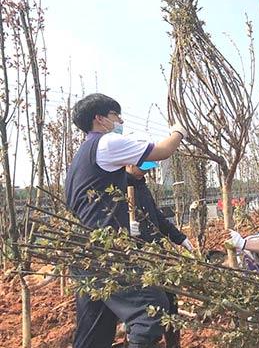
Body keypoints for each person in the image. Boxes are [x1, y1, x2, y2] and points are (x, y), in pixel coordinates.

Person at [65, 93, 187, 348]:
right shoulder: (106, 143)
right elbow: (163, 150)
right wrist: (178, 131)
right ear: (100, 119)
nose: (120, 120)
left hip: (86, 253)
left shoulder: (81, 157)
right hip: (107, 251)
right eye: (115, 115)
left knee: (94, 332)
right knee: (151, 309)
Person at [126, 161, 194, 348]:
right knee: (149, 308)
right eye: (143, 166)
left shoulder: (142, 186)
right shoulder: (121, 185)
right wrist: (126, 228)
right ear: (130, 163)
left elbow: (157, 217)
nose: (147, 170)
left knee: (170, 301)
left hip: (158, 254)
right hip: (139, 257)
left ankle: (173, 344)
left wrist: (180, 238)